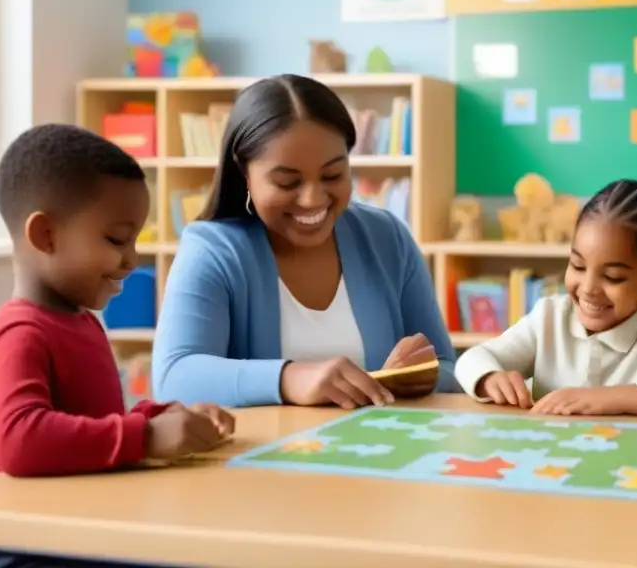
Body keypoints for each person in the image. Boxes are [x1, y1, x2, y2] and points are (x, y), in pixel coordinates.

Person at [152, 74, 458, 409]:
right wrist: (290, 378)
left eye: (333, 175)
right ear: (244, 173)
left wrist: (423, 376)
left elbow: (446, 367)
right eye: (287, 182)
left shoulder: (386, 238)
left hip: (375, 453)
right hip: (260, 458)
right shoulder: (214, 250)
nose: (312, 200)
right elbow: (174, 378)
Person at [0, 124, 234, 479]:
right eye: (117, 240)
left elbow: (89, 425)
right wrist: (146, 437)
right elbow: (19, 441)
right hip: (18, 531)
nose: (132, 259)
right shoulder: (19, 333)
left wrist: (161, 418)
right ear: (46, 235)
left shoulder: (82, 322)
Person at [454, 179, 637, 418]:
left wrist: (607, 398)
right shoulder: (549, 319)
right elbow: (475, 357)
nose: (588, 288)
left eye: (612, 277)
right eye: (577, 266)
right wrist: (489, 377)